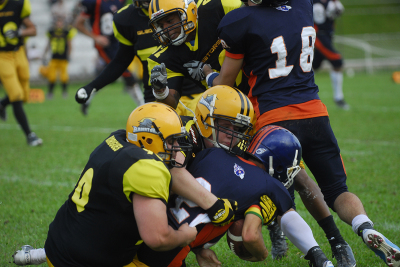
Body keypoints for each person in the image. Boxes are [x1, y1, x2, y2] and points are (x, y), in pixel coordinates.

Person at [12, 86, 334, 267]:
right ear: (206, 121)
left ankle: (50, 251)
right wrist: (208, 210)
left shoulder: (127, 137)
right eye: (227, 127)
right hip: (118, 242)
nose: (234, 137)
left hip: (85, 229)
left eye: (239, 130)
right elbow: (171, 188)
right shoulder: (177, 147)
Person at [198, 1, 400, 267]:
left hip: (274, 120)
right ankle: (363, 227)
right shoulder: (303, 5)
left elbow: (225, 84)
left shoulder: (239, 20)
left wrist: (208, 75)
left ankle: (318, 258)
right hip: (315, 114)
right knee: (338, 190)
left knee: (281, 202)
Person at [74, 0, 206, 116]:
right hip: (156, 95)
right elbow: (121, 61)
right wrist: (92, 86)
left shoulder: (186, 6)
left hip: (195, 92)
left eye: (169, 21)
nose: (165, 28)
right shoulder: (126, 19)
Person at [146, 0, 249, 111]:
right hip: (227, 105)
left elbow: (254, 14)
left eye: (170, 21)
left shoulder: (216, 7)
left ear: (188, 12)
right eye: (161, 25)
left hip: (258, 81)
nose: (166, 29)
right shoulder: (162, 58)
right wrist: (160, 91)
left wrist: (208, 74)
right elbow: (171, 105)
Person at [73, 0, 144, 115]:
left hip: (119, 42)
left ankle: (86, 98)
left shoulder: (120, 1)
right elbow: (78, 23)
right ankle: (144, 107)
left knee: (107, 75)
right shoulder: (94, 3)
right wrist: (95, 37)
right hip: (105, 45)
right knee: (127, 75)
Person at [0, 0, 43, 146]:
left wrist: (20, 32)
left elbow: (33, 30)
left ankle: (1, 104)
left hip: (18, 53)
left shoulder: (17, 4)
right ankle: (30, 135)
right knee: (16, 95)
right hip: (1, 57)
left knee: (24, 96)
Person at [313, 0, 349, 110]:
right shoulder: (312, 2)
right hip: (318, 37)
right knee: (337, 61)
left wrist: (336, 10)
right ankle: (338, 98)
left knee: (313, 66)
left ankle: (299, 93)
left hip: (328, 37)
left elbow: (339, 11)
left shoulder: (333, 2)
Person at [42, 17, 77, 99]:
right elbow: (48, 43)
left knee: (64, 76)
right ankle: (50, 93)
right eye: (58, 23)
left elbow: (69, 44)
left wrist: (69, 55)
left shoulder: (66, 32)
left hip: (63, 57)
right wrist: (44, 54)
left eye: (60, 23)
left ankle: (64, 92)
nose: (59, 24)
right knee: (52, 76)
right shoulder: (51, 32)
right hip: (54, 57)